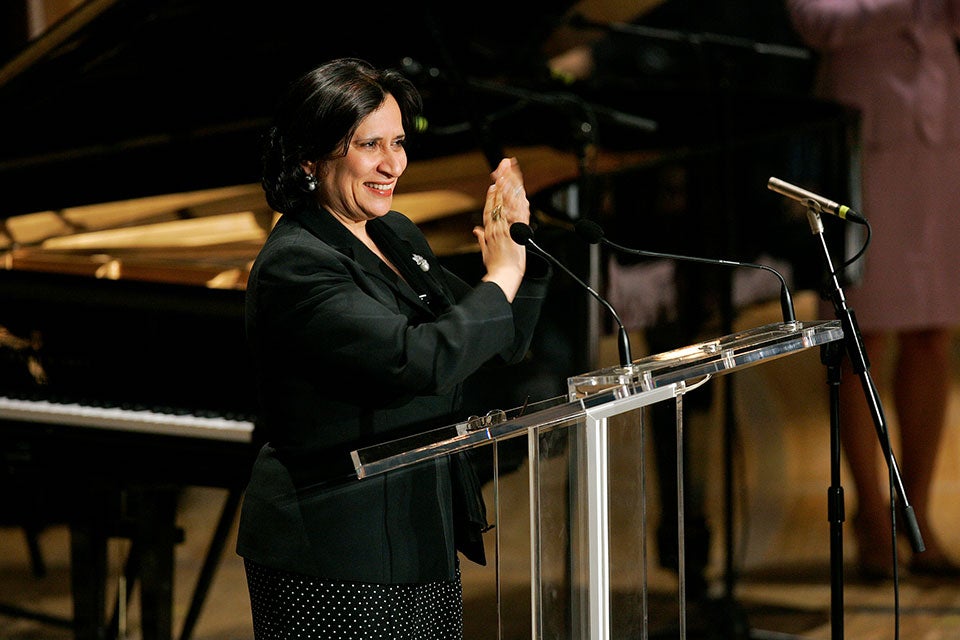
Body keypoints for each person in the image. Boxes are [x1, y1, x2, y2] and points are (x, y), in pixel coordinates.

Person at [236, 57, 551, 639]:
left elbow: (498, 341)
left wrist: (517, 258)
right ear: (312, 157)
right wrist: (498, 277)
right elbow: (422, 359)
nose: (392, 165)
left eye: (400, 142)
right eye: (369, 145)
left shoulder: (393, 231)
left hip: (416, 531)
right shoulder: (296, 264)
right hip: (334, 551)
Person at [786, 0, 960, 580]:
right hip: (861, 142)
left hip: (939, 136)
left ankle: (917, 514)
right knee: (863, 335)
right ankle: (870, 515)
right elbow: (816, 22)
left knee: (934, 330)